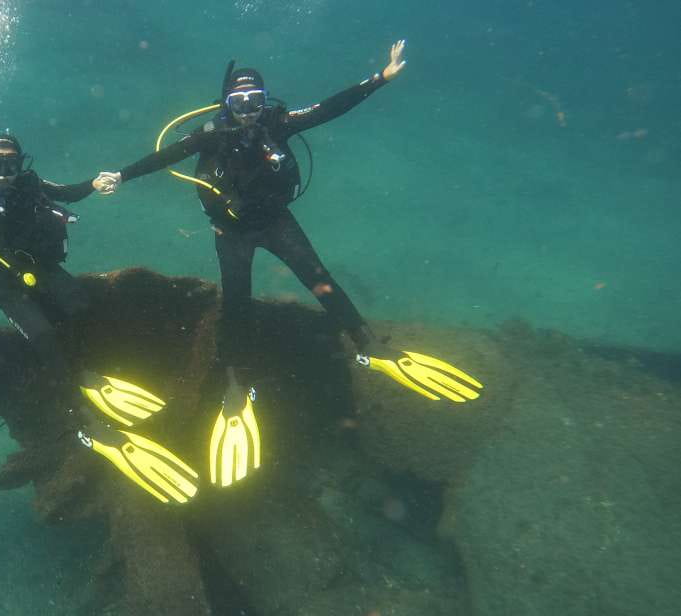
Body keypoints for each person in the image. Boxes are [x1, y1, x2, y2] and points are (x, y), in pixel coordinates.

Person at [92, 41, 482, 488]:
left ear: (265, 101)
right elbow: (165, 157)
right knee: (237, 305)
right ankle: (235, 384)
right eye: (240, 104)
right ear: (228, 103)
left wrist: (380, 79)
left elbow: (331, 109)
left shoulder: (280, 122)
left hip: (277, 221)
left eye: (255, 102)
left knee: (319, 280)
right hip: (232, 232)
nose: (248, 112)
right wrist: (120, 175)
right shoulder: (210, 135)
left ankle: (369, 345)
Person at [0, 128, 202, 504]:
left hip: (38, 266)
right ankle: (77, 405)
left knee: (79, 305)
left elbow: (69, 192)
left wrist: (94, 183)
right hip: (2, 281)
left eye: (11, 164)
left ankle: (86, 371)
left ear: (20, 163)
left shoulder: (32, 185)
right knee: (41, 334)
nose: (5, 172)